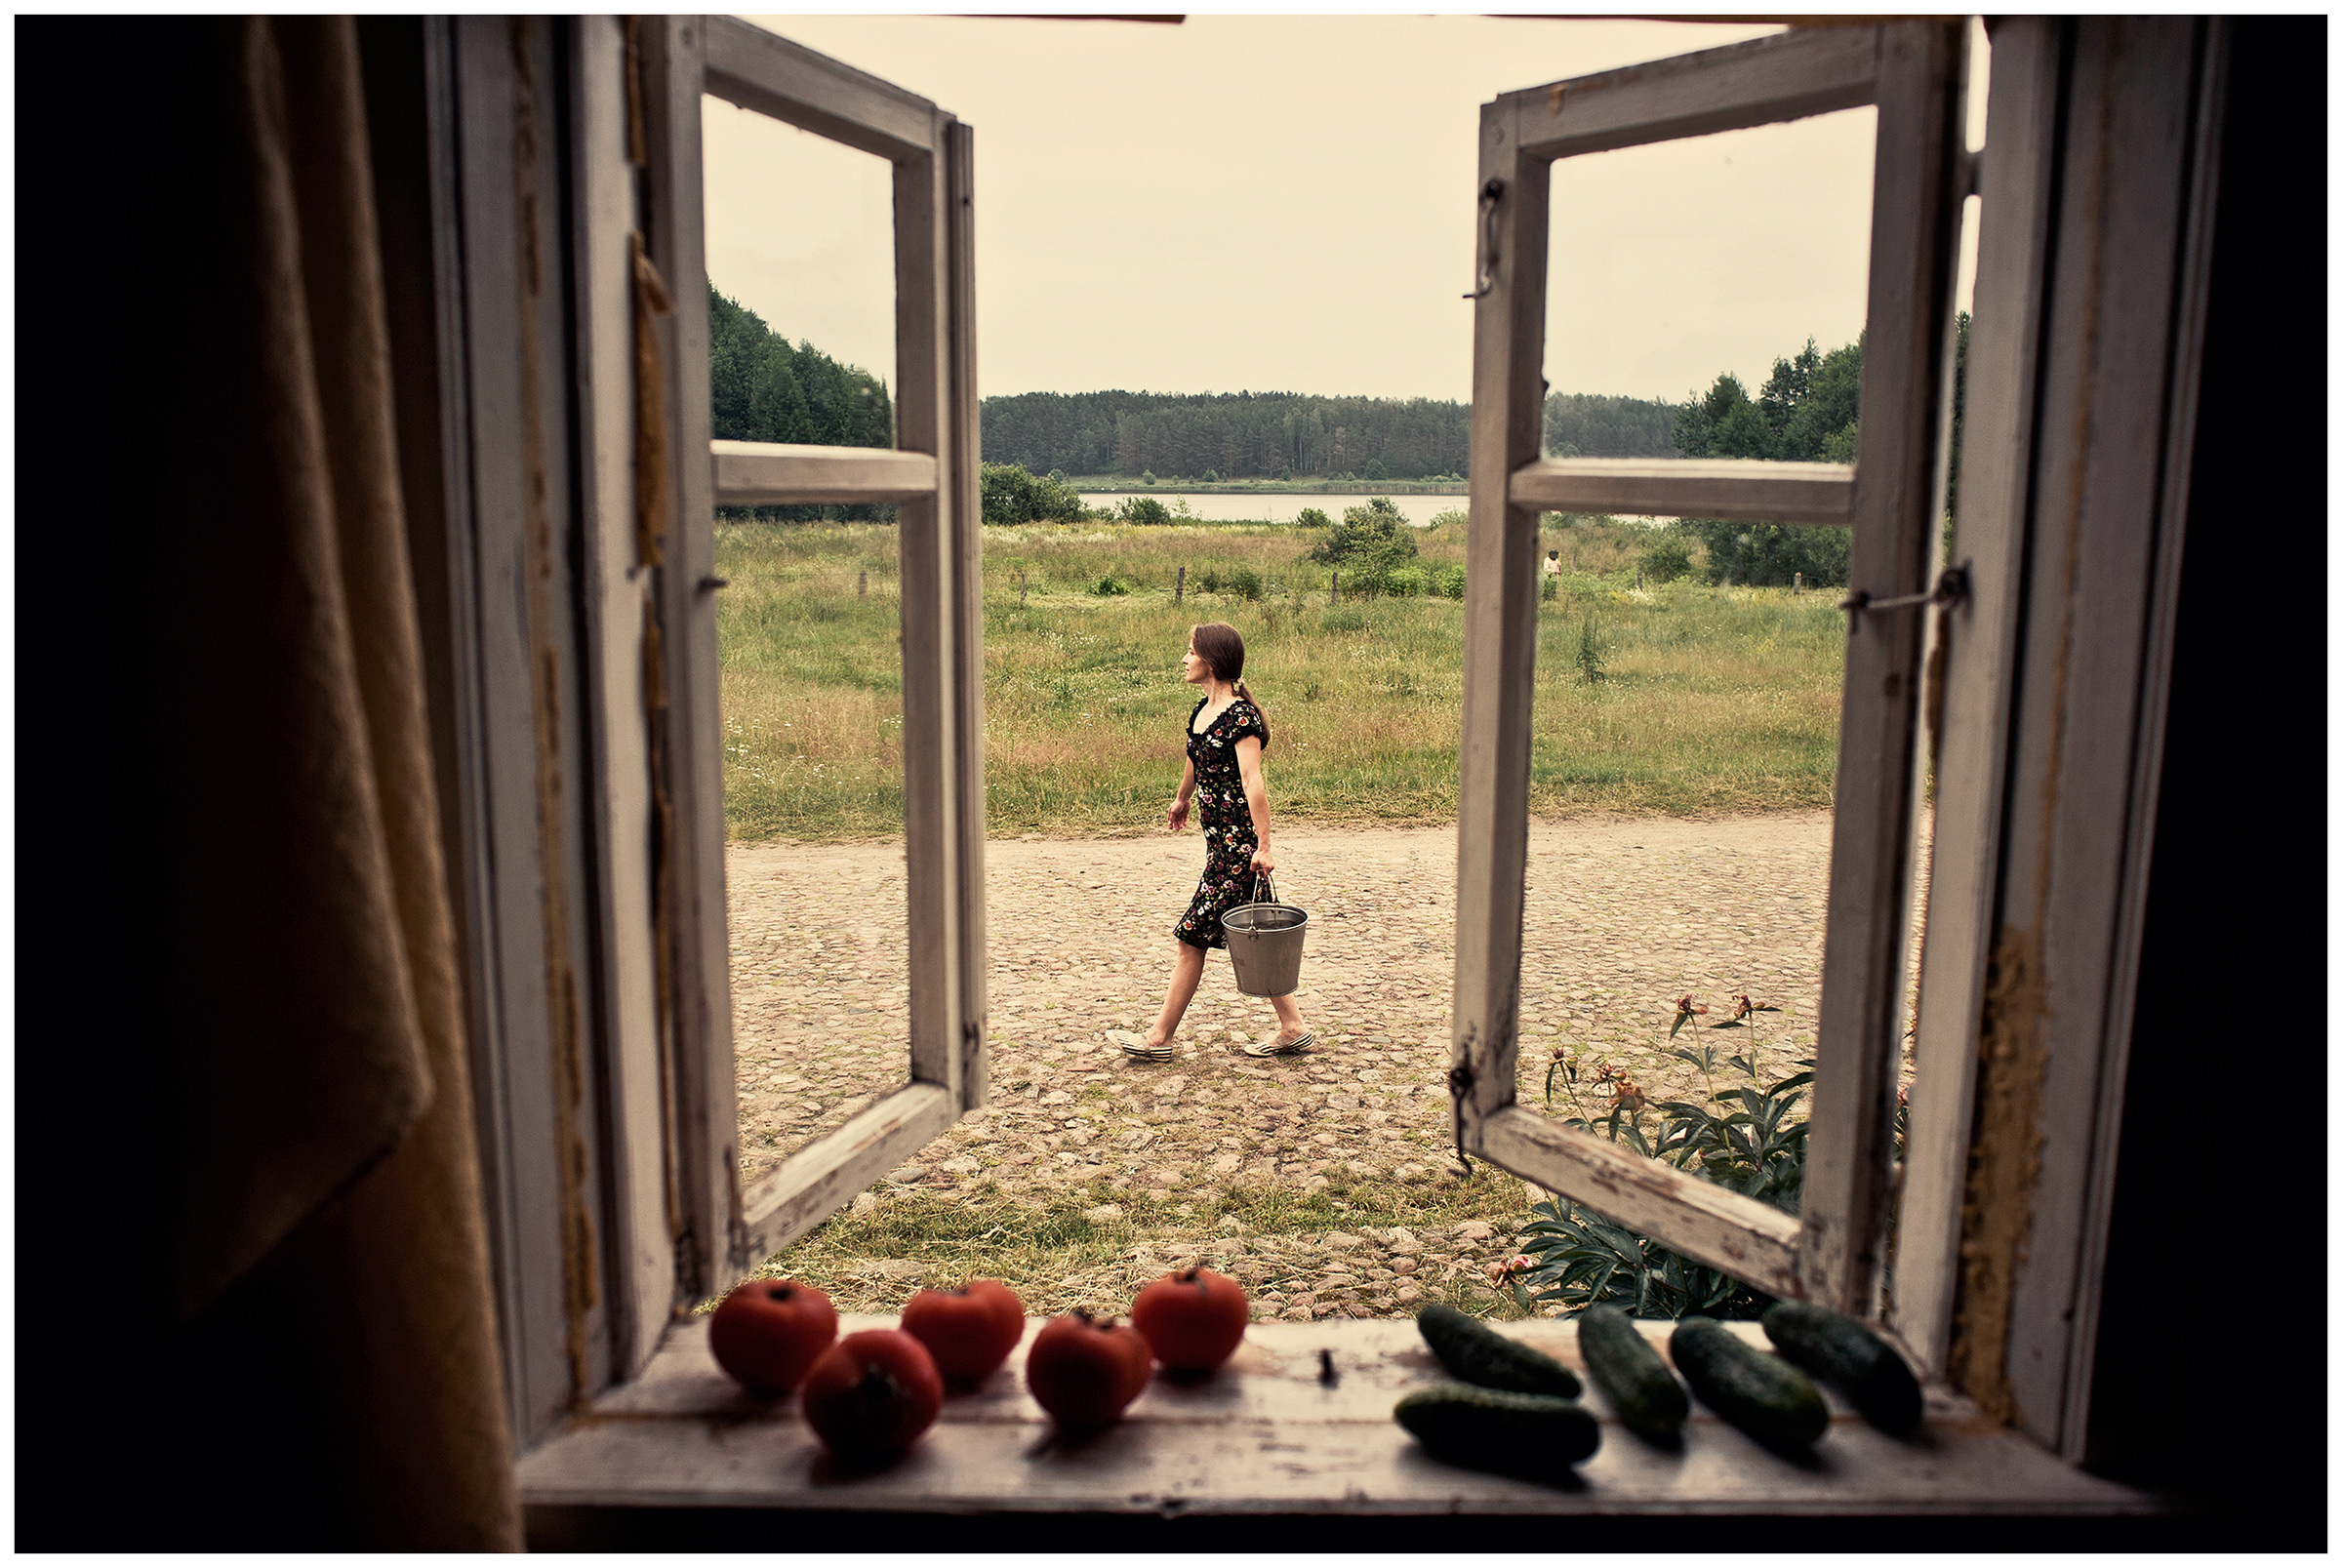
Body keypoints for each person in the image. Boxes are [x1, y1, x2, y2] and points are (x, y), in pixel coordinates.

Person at [1125, 622, 1312, 1063]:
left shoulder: (1241, 718)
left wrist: (1264, 846)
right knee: (1254, 935)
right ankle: (1292, 1026)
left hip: (1236, 849)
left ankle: (1158, 1039)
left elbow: (1253, 781)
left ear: (1211, 660)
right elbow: (1195, 755)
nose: (1184, 659)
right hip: (1218, 843)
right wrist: (1182, 798)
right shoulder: (1202, 711)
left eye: (1190, 652)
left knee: (1191, 938)